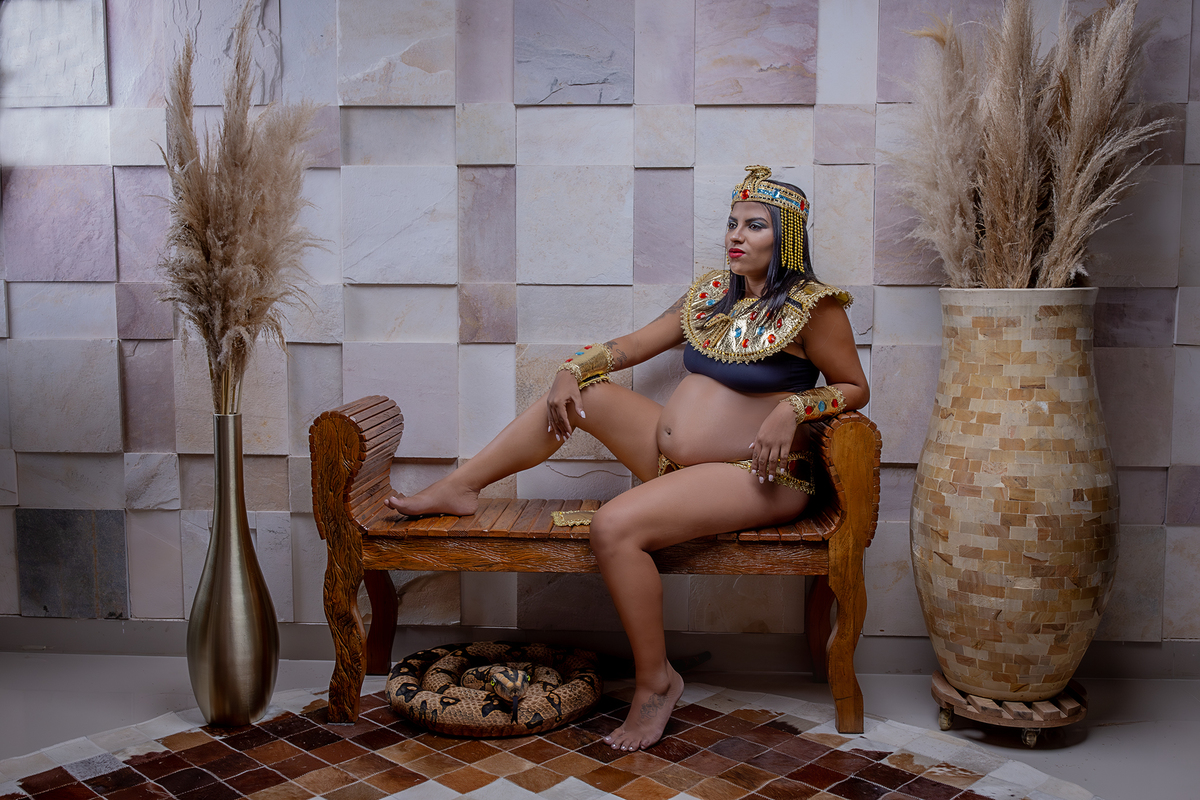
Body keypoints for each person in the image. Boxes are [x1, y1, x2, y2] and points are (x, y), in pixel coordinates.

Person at [386, 165, 870, 751]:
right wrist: (572, 368)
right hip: (679, 462)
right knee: (585, 395)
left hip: (760, 475)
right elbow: (636, 344)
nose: (736, 236)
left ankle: (657, 682)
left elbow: (855, 387)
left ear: (787, 237)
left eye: (754, 226)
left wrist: (794, 407)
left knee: (613, 527)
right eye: (732, 223)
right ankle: (461, 487)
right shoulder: (711, 295)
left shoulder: (814, 308)